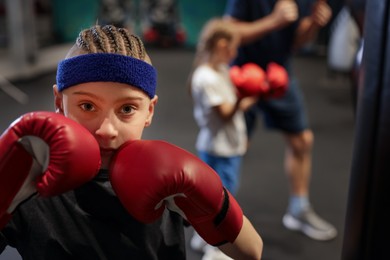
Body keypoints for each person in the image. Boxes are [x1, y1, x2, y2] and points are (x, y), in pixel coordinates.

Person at [0, 24, 263, 259]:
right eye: (87, 105)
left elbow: (251, 252)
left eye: (127, 109)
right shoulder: (29, 181)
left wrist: (211, 201)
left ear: (149, 111)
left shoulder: (168, 175)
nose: (106, 130)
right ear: (59, 102)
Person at [223, 0, 337, 241]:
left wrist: (313, 25)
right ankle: (217, 218)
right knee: (233, 147)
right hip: (242, 72)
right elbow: (228, 33)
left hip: (279, 72)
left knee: (302, 140)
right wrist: (272, 21)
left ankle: (298, 209)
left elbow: (296, 42)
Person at [188, 18, 260, 259]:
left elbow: (234, 105)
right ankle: (215, 247)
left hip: (225, 144)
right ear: (221, 45)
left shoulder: (220, 70)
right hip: (220, 148)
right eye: (234, 46)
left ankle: (202, 237)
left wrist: (258, 91)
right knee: (223, 199)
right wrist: (243, 97)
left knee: (211, 196)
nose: (236, 52)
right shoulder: (205, 77)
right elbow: (227, 113)